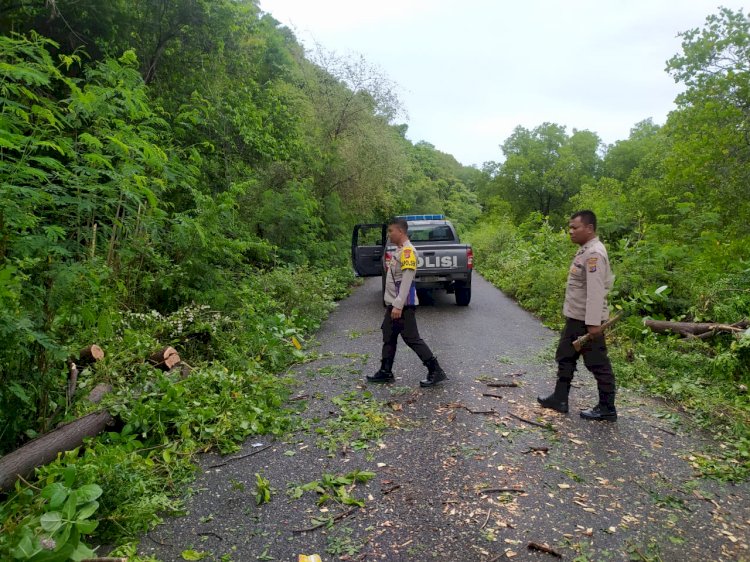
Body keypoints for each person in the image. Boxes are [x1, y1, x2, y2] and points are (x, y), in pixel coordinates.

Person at [538, 210, 617, 421]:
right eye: (570, 227)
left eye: (575, 227)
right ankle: (560, 399)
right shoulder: (585, 250)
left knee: (597, 363)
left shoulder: (594, 254)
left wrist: (593, 324)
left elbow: (595, 291)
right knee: (565, 356)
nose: (570, 231)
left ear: (589, 228)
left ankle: (607, 407)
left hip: (586, 321)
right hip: (576, 317)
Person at [367, 217, 447, 388]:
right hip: (394, 304)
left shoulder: (408, 252)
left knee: (412, 338)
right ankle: (385, 371)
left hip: (402, 305)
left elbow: (407, 281)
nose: (389, 234)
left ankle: (435, 370)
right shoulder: (399, 250)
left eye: (391, 231)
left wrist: (398, 305)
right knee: (388, 334)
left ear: (400, 231)